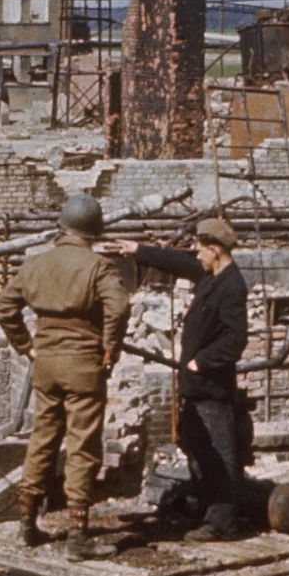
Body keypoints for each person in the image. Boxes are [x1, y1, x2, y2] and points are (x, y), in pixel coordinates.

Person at [0, 193, 130, 560]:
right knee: (83, 447)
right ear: (93, 232)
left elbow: (3, 307)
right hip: (84, 364)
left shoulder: (36, 263)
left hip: (47, 364)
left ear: (63, 226)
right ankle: (77, 536)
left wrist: (26, 346)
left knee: (42, 439)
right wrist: (109, 348)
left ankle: (26, 524)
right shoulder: (99, 267)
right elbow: (119, 308)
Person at [113, 218, 250, 541]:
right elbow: (178, 262)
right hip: (195, 385)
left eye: (200, 249)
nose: (196, 254)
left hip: (212, 388)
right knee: (198, 452)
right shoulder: (209, 275)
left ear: (214, 250)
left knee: (218, 455)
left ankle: (222, 521)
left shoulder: (232, 287)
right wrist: (138, 251)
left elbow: (235, 340)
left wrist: (200, 361)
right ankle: (207, 512)